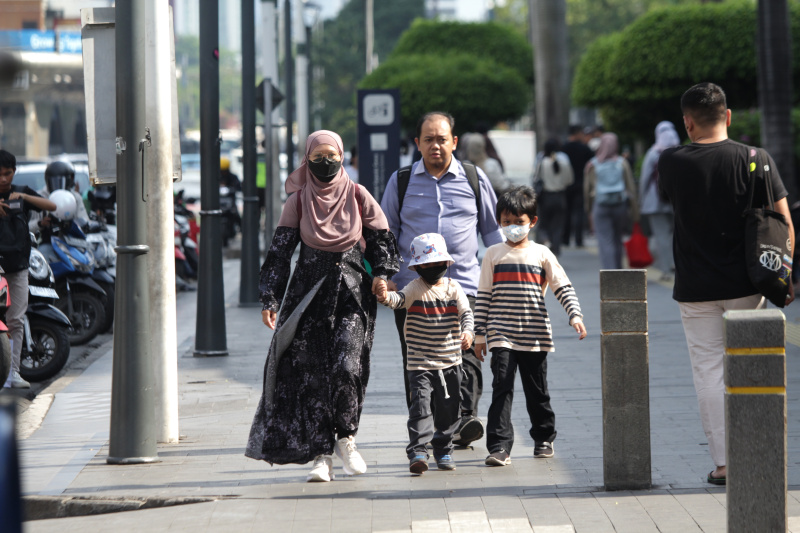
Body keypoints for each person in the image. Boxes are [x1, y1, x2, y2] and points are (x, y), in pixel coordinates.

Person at [658, 82, 795, 486]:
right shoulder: (756, 158)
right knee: (750, 369)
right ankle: (758, 456)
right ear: (728, 116)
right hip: (748, 283)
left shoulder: (671, 161)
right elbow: (784, 224)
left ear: (687, 122)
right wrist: (785, 277)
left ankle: (724, 464)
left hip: (695, 286)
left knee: (708, 372)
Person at [245, 130, 400, 482]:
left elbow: (381, 242)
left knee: (348, 365)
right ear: (307, 159)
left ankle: (346, 438)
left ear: (342, 156)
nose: (326, 162)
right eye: (318, 157)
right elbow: (280, 253)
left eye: (332, 155)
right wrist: (270, 297)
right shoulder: (297, 201)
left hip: (352, 294)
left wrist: (382, 275)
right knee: (313, 376)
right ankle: (320, 454)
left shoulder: (359, 195)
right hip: (307, 297)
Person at [380, 111, 504, 447]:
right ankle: (429, 427)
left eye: (442, 139)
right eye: (429, 139)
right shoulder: (401, 181)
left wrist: (507, 275)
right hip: (413, 291)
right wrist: (385, 276)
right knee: (419, 362)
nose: (436, 145)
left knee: (467, 354)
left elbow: (493, 233)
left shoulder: (474, 179)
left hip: (465, 286)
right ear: (418, 143)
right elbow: (385, 233)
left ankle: (463, 419)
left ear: (455, 142)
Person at [474, 186, 587, 466]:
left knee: (537, 390)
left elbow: (562, 285)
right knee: (502, 388)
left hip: (535, 335)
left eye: (519, 222)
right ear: (499, 221)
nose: (512, 227)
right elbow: (484, 295)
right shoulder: (492, 254)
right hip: (501, 334)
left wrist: (575, 315)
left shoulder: (542, 254)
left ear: (532, 221)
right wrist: (479, 335)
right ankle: (499, 445)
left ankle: (543, 437)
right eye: (506, 222)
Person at [375, 233, 474, 474]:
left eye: (436, 263)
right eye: (425, 265)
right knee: (420, 407)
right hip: (419, 362)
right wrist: (384, 295)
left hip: (450, 361)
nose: (431, 268)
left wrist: (468, 332)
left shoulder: (454, 288)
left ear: (445, 263)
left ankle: (444, 448)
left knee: (449, 408)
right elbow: (398, 301)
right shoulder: (415, 287)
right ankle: (418, 450)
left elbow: (466, 313)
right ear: (418, 267)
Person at [0, 150, 56, 389]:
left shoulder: (20, 192)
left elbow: (51, 205)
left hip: (19, 266)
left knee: (16, 320)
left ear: (14, 171)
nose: (3, 179)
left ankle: (12, 373)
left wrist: (22, 196)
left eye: (7, 173)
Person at [584, 133, 639, 269]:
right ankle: (618, 269)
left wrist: (589, 209)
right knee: (617, 239)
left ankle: (609, 272)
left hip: (601, 206)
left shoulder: (593, 164)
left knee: (605, 240)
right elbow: (630, 187)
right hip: (620, 204)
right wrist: (635, 210)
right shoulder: (622, 162)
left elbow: (587, 190)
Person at [639, 121, 679, 280]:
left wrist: (641, 199)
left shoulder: (653, 153)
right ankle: (677, 265)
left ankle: (666, 270)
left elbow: (644, 179)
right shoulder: (681, 151)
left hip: (654, 202)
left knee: (661, 236)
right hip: (676, 201)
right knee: (677, 235)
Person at [533, 138, 574, 257]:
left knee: (543, 224)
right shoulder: (565, 163)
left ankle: (546, 241)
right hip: (560, 197)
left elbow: (536, 179)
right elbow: (569, 181)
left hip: (545, 197)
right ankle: (555, 251)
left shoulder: (542, 163)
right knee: (558, 226)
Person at [561, 125, 594, 249]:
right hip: (581, 183)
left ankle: (565, 239)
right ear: (578, 133)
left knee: (567, 211)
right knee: (579, 211)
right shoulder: (585, 149)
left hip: (566, 184)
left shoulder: (563, 148)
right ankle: (579, 239)